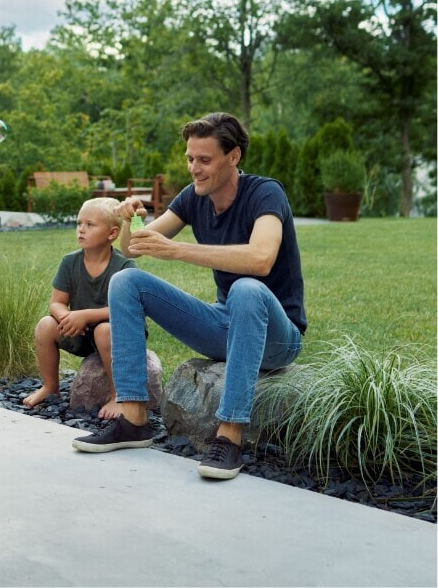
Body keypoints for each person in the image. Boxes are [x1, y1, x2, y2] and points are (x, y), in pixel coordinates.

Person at [72, 112, 306, 481]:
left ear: (233, 156)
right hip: (225, 326)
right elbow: (133, 248)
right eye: (190, 158)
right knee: (126, 281)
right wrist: (129, 219)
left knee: (245, 288)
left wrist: (178, 250)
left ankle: (229, 436)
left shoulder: (265, 193)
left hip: (277, 338)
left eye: (204, 160)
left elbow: (261, 259)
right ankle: (133, 419)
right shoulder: (194, 197)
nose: (194, 168)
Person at [23, 198, 137, 419]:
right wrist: (67, 318)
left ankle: (119, 396)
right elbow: (56, 303)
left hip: (117, 334)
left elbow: (127, 309)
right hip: (81, 332)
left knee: (103, 330)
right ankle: (50, 387)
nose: (81, 229)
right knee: (45, 325)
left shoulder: (123, 266)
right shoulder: (69, 262)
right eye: (79, 223)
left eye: (90, 225)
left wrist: (84, 315)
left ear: (112, 233)